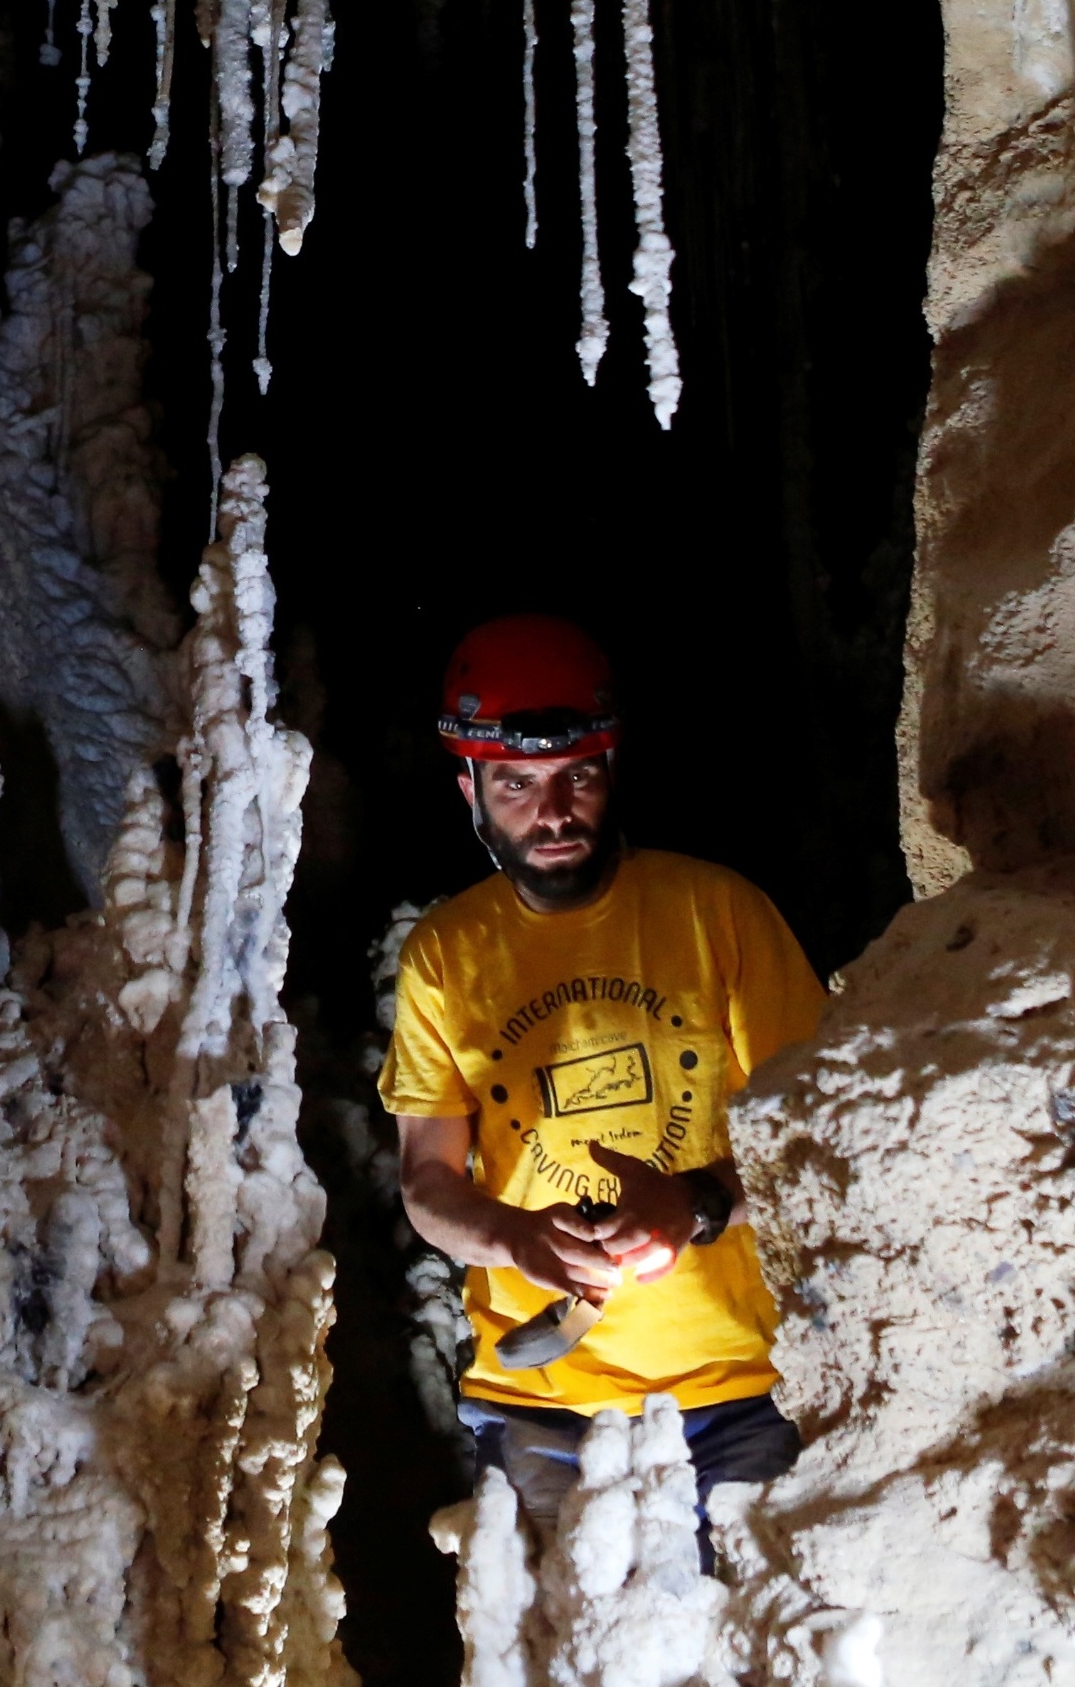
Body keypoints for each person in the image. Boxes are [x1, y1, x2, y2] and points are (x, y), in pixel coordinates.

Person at [379, 614, 826, 1562]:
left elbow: (817, 1142)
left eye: (575, 776)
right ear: (471, 789)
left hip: (737, 1386)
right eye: (516, 785)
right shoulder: (446, 958)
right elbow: (427, 1183)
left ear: (612, 771)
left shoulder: (717, 913)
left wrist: (696, 1203)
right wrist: (512, 1236)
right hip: (542, 1404)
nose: (551, 811)